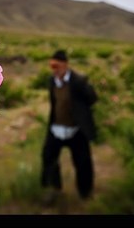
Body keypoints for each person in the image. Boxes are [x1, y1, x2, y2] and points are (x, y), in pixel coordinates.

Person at [41, 49, 97, 203]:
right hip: (56, 128)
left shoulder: (79, 81)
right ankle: (54, 189)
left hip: (76, 129)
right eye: (51, 66)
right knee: (48, 158)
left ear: (65, 65)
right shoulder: (52, 81)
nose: (54, 69)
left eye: (56, 66)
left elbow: (92, 98)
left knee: (83, 163)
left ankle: (85, 193)